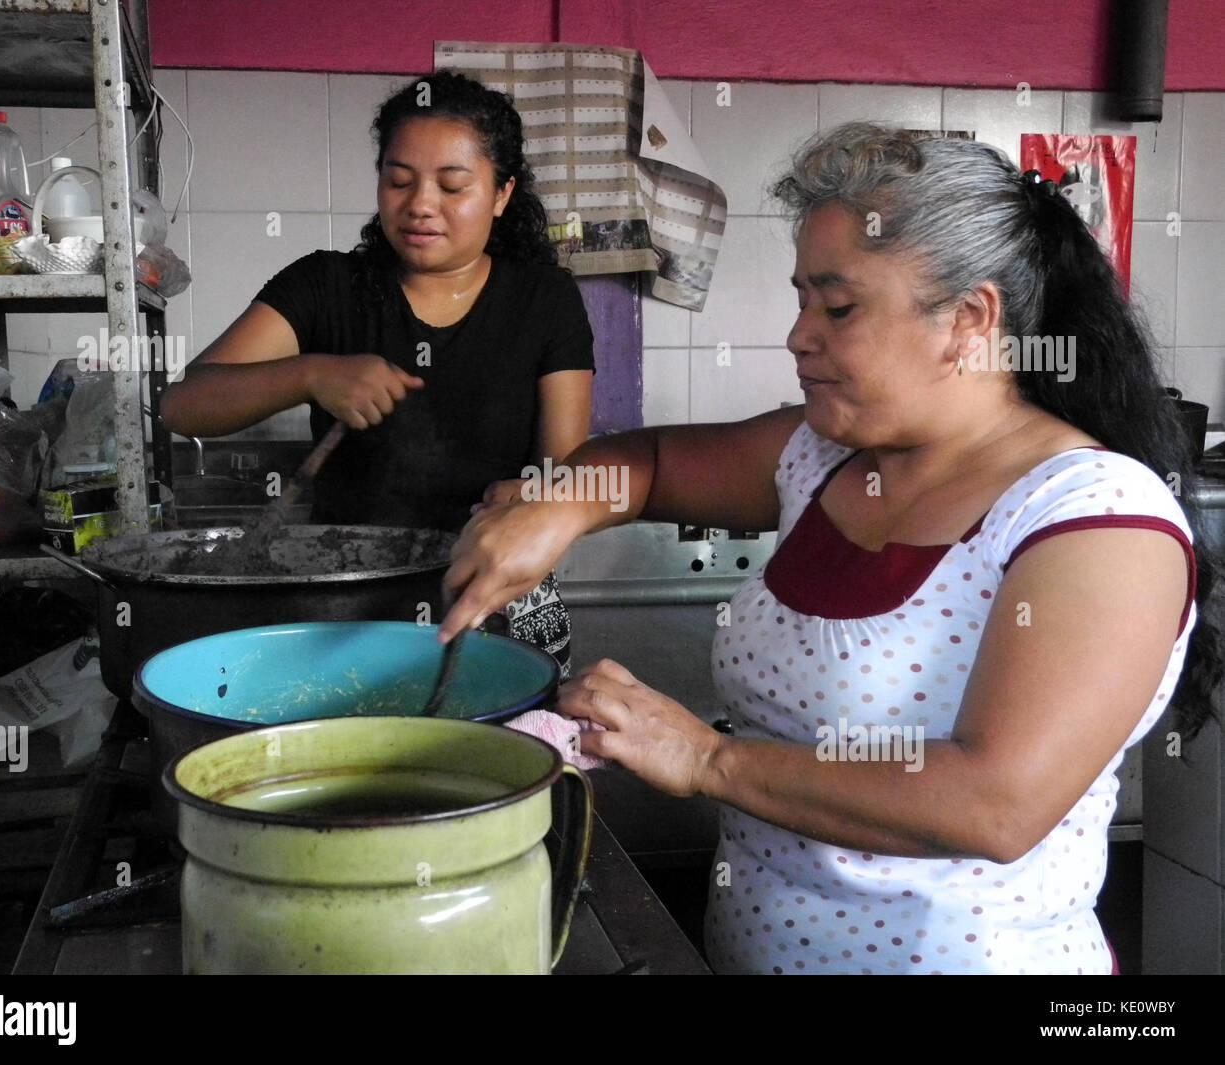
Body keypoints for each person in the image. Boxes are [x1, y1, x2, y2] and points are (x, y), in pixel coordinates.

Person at [437, 123, 1223, 974]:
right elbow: (652, 462)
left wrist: (707, 757)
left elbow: (996, 803)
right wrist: (556, 506)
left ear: (970, 319)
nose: (798, 335)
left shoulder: (1092, 515)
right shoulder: (820, 456)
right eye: (801, 299)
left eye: (838, 306)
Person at [161, 72, 594, 673]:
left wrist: (537, 498)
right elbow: (182, 404)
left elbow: (569, 474)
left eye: (452, 185)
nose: (420, 205)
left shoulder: (544, 300)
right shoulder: (325, 286)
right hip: (343, 599)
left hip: (493, 598)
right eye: (399, 180)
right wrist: (310, 374)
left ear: (501, 193)